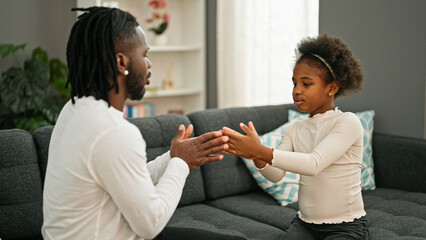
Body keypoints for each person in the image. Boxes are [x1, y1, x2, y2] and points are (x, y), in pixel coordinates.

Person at [42, 7, 229, 240]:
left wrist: (173, 157)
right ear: (121, 62)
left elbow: (129, 182)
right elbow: (151, 224)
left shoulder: (73, 110)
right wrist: (181, 163)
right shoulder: (113, 132)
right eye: (144, 54)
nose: (149, 64)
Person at [222, 34, 369, 240]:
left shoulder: (347, 122)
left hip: (345, 226)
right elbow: (276, 175)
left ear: (332, 88)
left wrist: (259, 150)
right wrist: (256, 155)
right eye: (294, 83)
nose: (297, 91)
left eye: (306, 84)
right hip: (305, 225)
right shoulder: (295, 129)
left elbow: (313, 164)